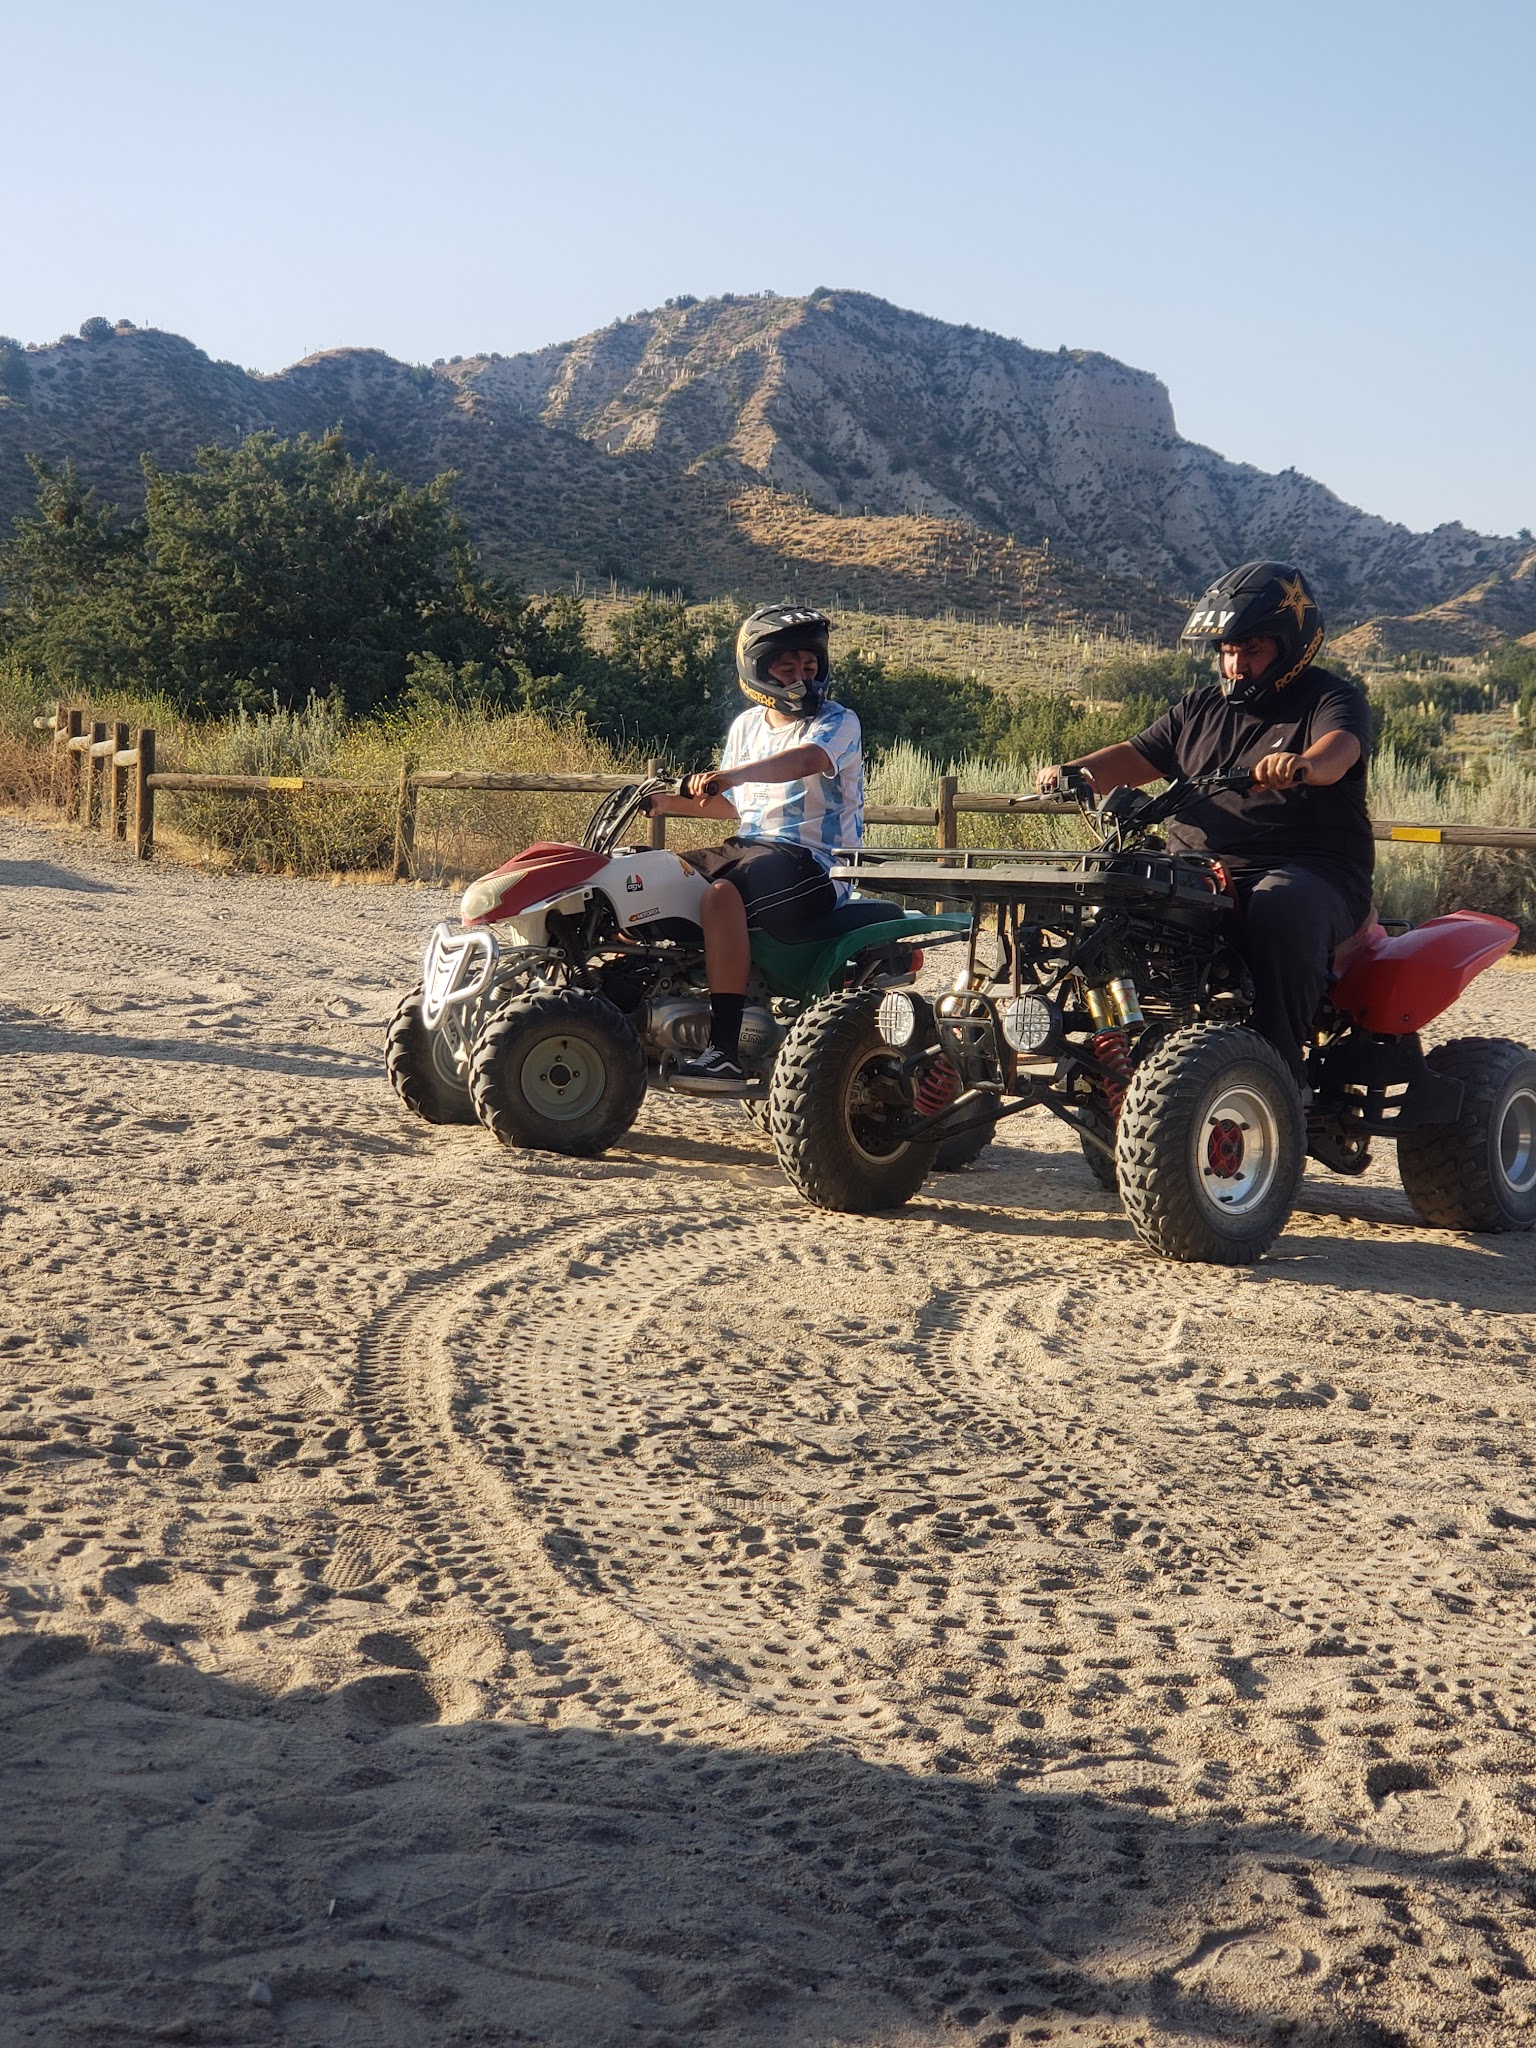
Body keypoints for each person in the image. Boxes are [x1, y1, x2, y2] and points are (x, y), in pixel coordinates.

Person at [1036, 560, 1373, 1084]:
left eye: (1251, 650)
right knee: (1096, 894)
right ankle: (1100, 1042)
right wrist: (1073, 771)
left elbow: (1340, 751)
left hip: (1307, 870)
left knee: (1282, 909)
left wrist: (1304, 765)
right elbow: (1137, 753)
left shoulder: (1331, 699)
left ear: (1291, 644)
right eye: (1227, 650)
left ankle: (1279, 1075)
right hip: (1196, 869)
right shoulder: (1198, 708)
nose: (1235, 665)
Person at [645, 604, 863, 1095]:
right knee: (652, 877)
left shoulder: (838, 721)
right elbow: (735, 808)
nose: (801, 676)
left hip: (818, 862)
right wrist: (664, 802)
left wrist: (732, 775)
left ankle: (722, 1053)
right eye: (786, 667)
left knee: (723, 893)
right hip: (751, 846)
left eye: (809, 665)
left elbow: (808, 759)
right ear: (759, 670)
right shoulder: (746, 727)